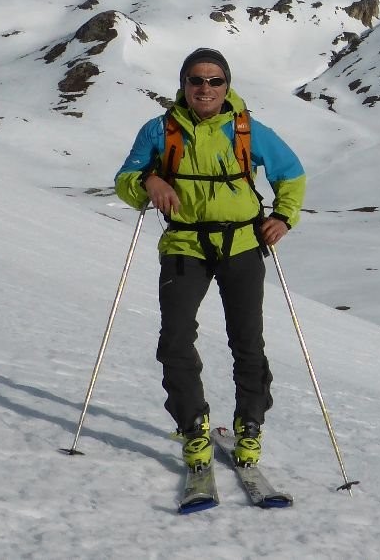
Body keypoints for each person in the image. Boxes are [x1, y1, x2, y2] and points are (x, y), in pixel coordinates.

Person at [114, 48, 305, 471]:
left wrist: (283, 216)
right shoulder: (159, 130)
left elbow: (291, 173)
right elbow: (125, 179)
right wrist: (149, 183)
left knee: (247, 341)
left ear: (227, 85)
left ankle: (249, 424)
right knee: (176, 339)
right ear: (183, 84)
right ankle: (192, 426)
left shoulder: (246, 129)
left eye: (215, 80)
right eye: (196, 80)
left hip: (242, 244)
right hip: (184, 244)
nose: (205, 88)